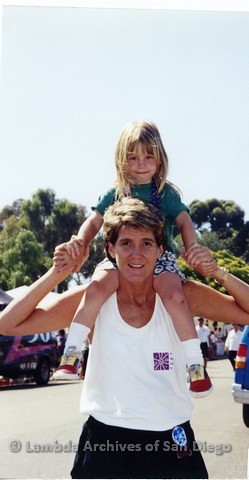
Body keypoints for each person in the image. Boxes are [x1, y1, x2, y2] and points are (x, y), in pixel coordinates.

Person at [2, 198, 249, 478]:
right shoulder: (92, 300)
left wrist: (216, 272)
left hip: (172, 440)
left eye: (146, 243)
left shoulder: (183, 296)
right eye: (126, 243)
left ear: (160, 249)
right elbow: (8, 323)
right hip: (105, 443)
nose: (136, 254)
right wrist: (59, 272)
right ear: (111, 248)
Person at [52, 120, 212, 397]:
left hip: (160, 258)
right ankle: (72, 351)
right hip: (119, 258)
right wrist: (79, 240)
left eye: (148, 157)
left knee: (175, 296)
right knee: (96, 288)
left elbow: (185, 221)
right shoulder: (115, 191)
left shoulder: (166, 193)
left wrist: (193, 248)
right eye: (133, 157)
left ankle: (195, 364)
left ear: (160, 159)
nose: (140, 163)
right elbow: (93, 222)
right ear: (121, 159)